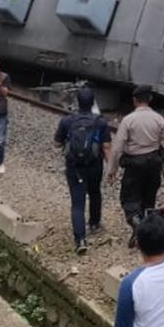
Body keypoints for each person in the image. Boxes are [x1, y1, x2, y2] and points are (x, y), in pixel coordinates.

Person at [106, 85, 164, 245]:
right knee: (148, 200)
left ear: (135, 100)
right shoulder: (159, 119)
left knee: (129, 200)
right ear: (150, 99)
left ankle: (138, 228)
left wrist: (112, 169)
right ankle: (147, 237)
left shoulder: (129, 120)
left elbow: (117, 147)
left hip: (134, 165)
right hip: (154, 164)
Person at [54, 87, 112, 254]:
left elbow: (57, 143)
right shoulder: (100, 122)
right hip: (95, 165)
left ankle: (80, 240)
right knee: (95, 192)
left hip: (75, 168)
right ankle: (94, 223)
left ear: (77, 102)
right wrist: (110, 167)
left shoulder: (67, 121)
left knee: (77, 203)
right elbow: (106, 147)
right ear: (93, 102)